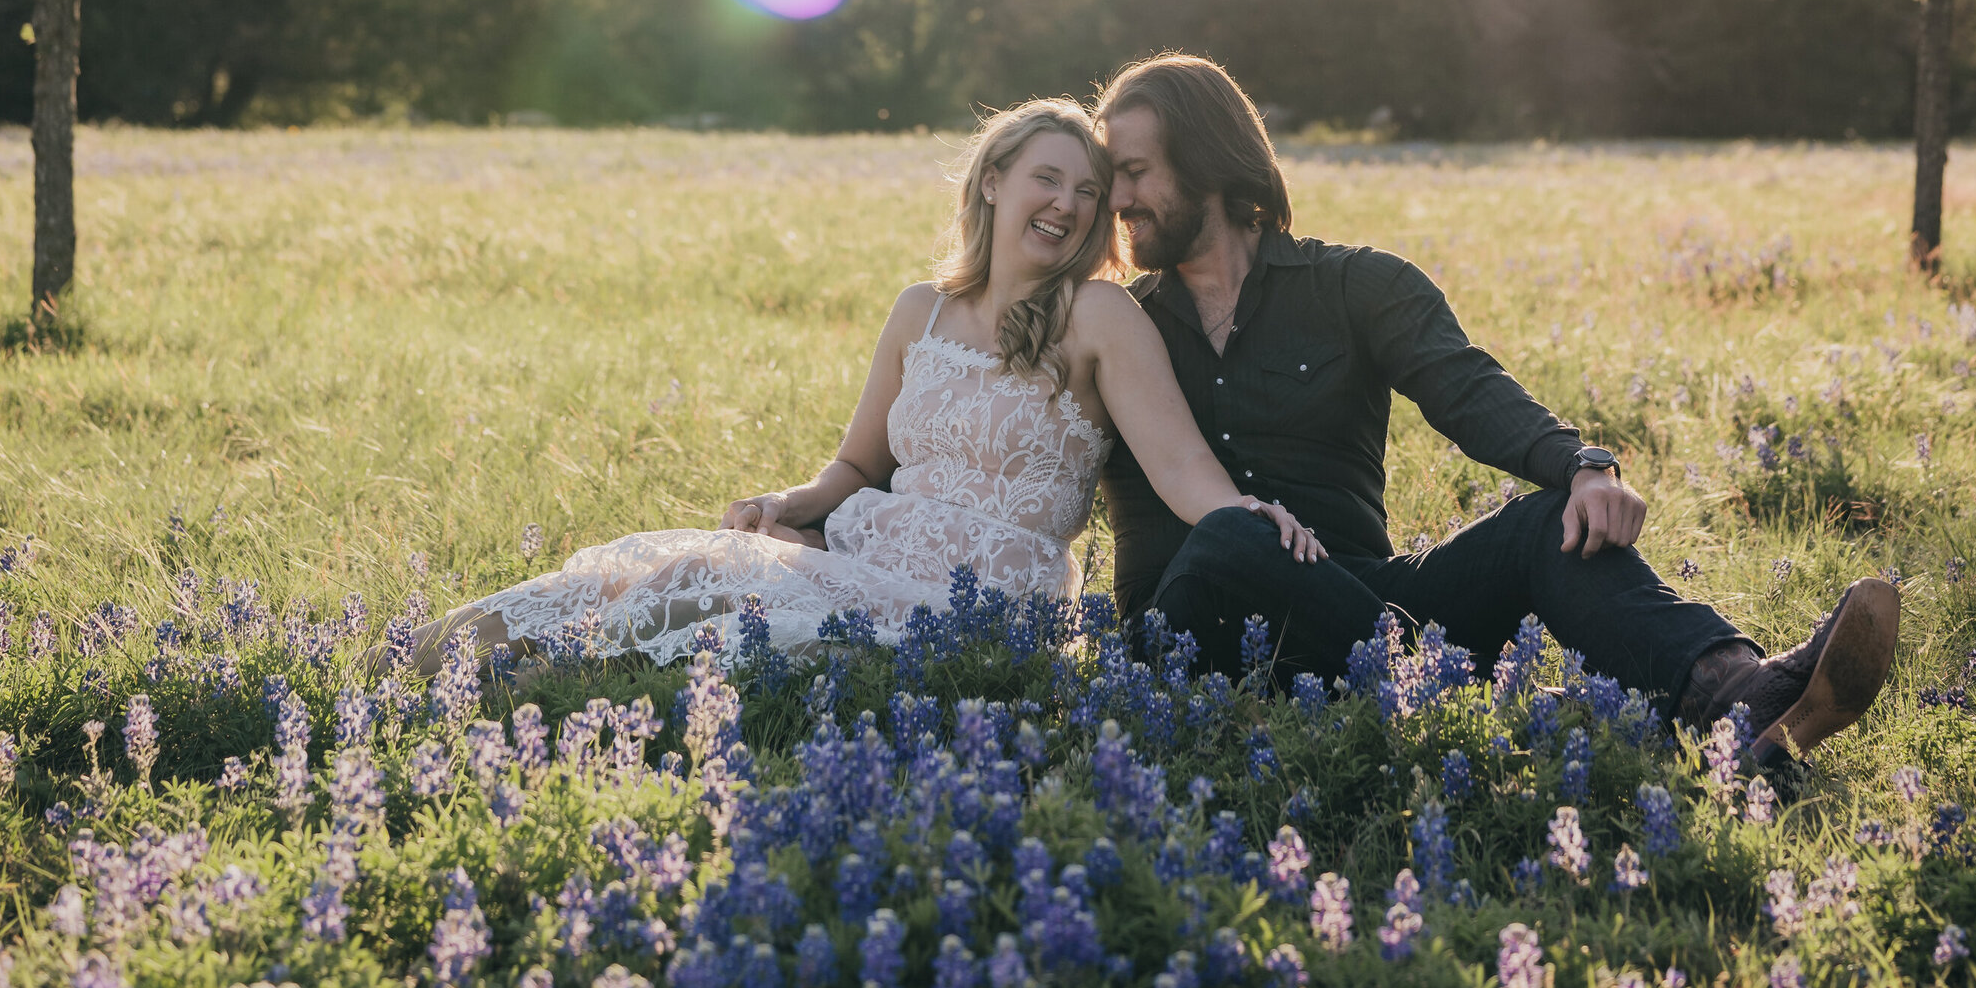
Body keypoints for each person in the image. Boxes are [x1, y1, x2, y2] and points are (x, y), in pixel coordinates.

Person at [1094, 54, 1898, 767]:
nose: (1116, 199)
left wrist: (1583, 467)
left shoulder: (1355, 285)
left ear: (1207, 159)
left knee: (1545, 521)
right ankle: (1505, 708)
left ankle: (1734, 695)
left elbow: (1467, 386)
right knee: (1235, 530)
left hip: (1360, 608)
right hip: (1193, 633)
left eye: (1133, 172)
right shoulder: (1119, 328)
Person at [419, 97, 1322, 676]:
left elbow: (1180, 467)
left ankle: (530, 693)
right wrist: (788, 498)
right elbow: (856, 463)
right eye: (1048, 179)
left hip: (984, 601)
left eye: (1089, 191)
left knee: (721, 614)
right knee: (679, 568)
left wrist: (1248, 517)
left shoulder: (1098, 316)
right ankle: (442, 662)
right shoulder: (921, 310)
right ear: (995, 182)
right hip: (865, 555)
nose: (1071, 205)